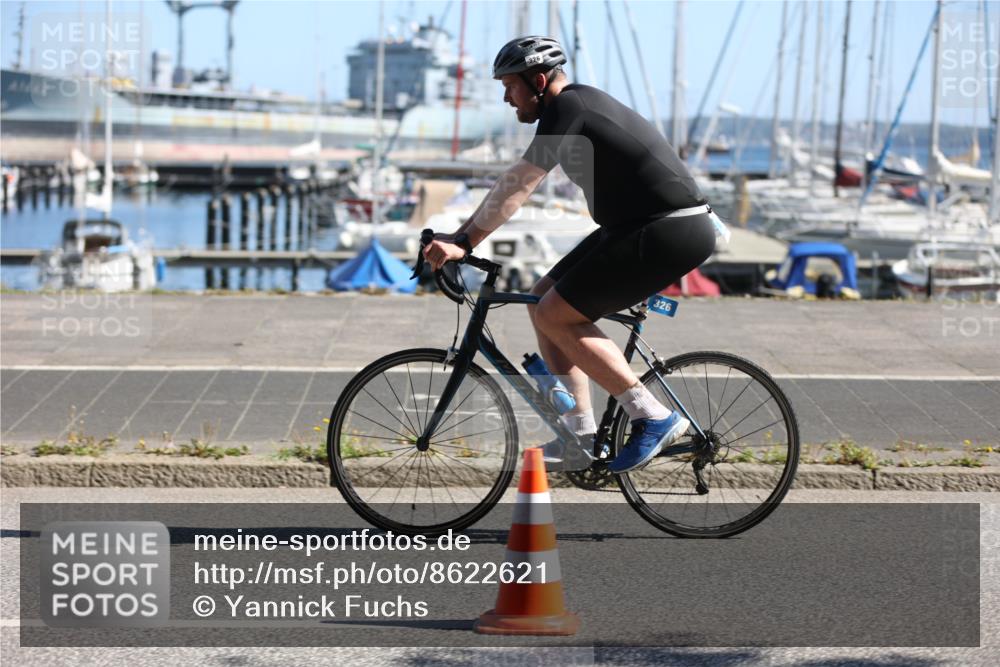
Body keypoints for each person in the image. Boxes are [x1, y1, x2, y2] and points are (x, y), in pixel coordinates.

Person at [423, 36, 716, 473]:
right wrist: (459, 236)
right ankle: (580, 434)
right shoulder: (571, 109)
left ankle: (651, 415)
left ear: (538, 81)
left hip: (669, 228)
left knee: (555, 314)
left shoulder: (570, 107)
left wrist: (465, 244)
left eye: (510, 86)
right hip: (637, 227)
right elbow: (512, 181)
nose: (506, 98)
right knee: (543, 300)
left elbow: (522, 182)